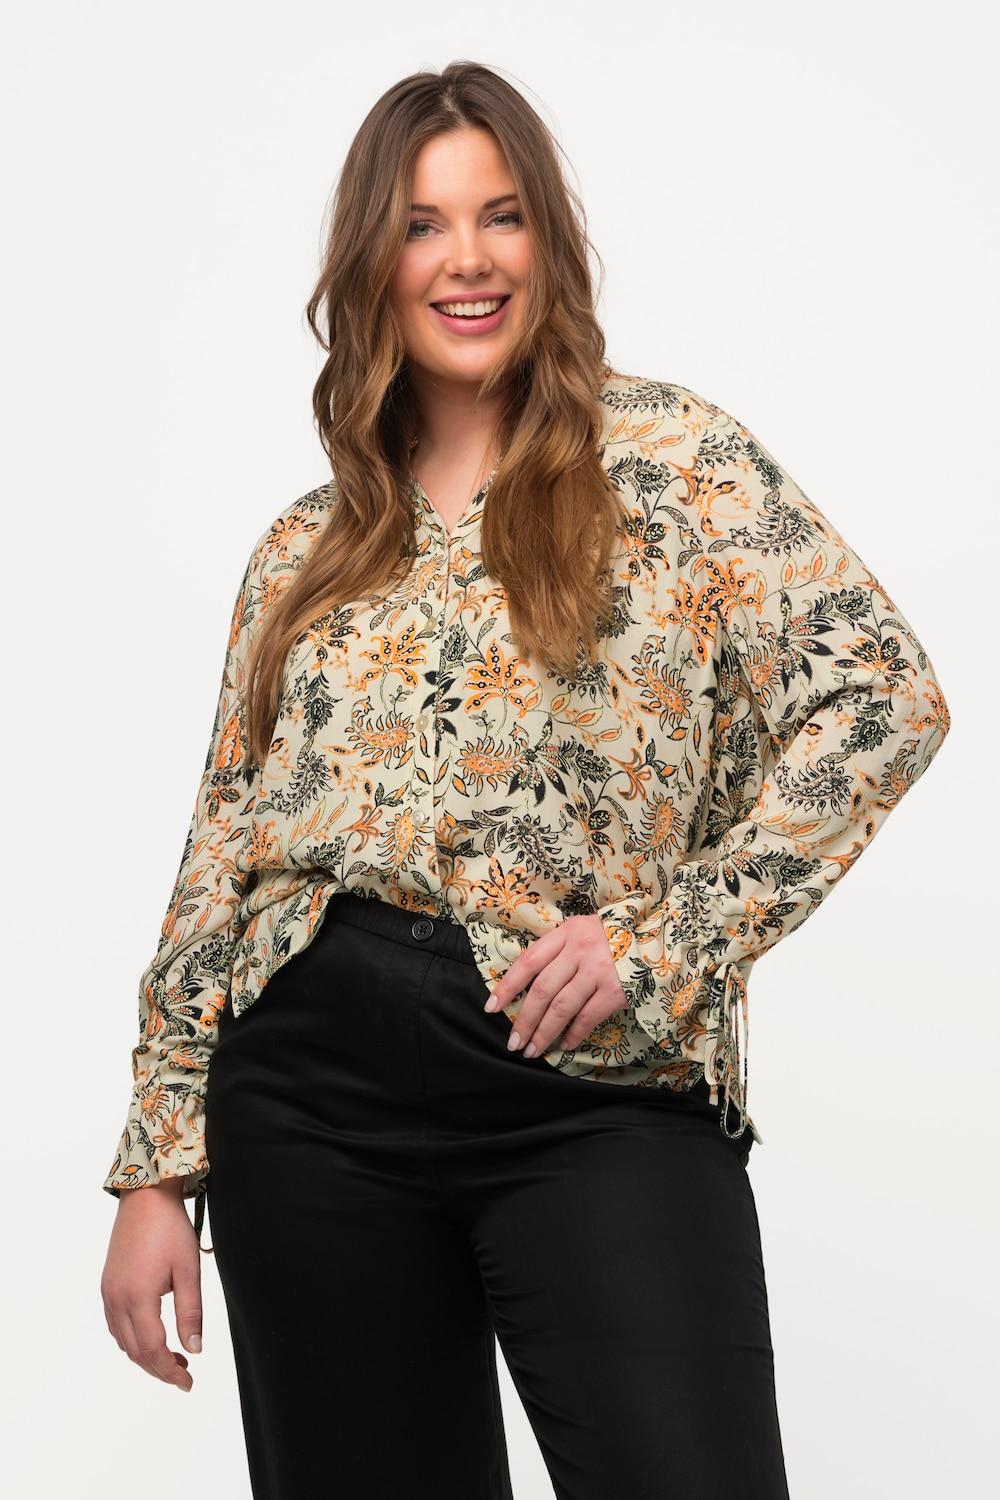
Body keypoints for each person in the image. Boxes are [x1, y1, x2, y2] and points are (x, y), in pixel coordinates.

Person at [100, 61, 951, 1500]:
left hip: (592, 1082)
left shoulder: (674, 460)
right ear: (372, 263)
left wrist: (668, 942)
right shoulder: (308, 545)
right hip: (309, 1101)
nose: (469, 259)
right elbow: (225, 840)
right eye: (423, 226)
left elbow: (883, 699)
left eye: (502, 217)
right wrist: (155, 1166)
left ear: (547, 240)